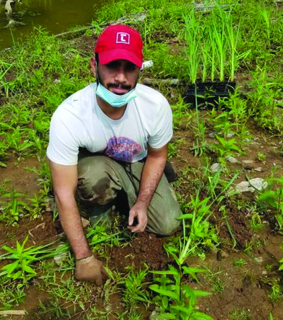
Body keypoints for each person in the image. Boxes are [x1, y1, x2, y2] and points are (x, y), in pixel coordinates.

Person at [47, 24, 182, 285]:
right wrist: (84, 258)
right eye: (112, 66)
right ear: (93, 66)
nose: (120, 78)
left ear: (139, 71)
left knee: (168, 223)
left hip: (138, 160)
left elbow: (157, 156)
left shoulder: (154, 106)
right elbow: (62, 191)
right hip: (98, 164)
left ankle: (128, 196)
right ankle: (100, 202)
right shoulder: (70, 116)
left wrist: (142, 202)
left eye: (129, 68)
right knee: (92, 175)